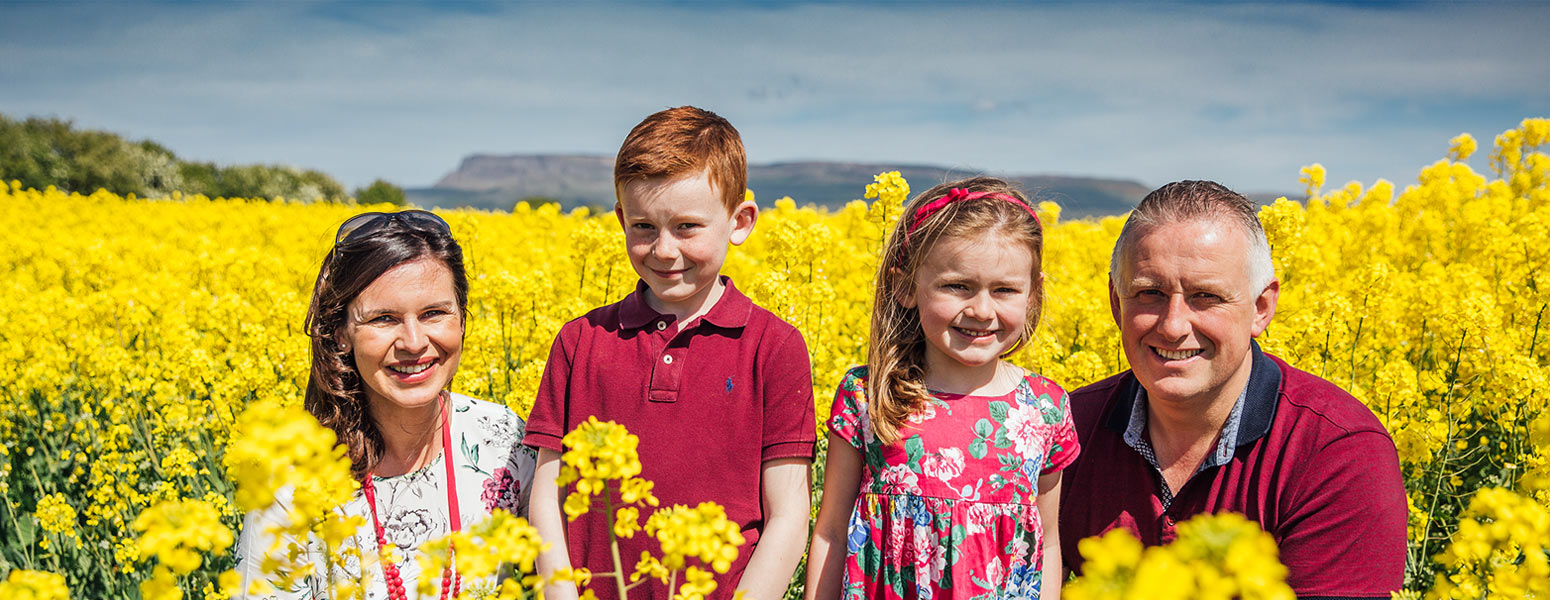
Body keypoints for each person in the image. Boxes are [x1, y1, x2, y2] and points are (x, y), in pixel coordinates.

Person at [1057, 181, 1407, 597]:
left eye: (1205, 297)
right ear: (1117, 304)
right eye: (1150, 293)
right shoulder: (1066, 428)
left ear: (1261, 308)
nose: (1172, 326)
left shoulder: (1337, 452)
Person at [523, 106, 815, 600]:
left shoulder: (775, 346)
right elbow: (545, 499)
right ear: (620, 221)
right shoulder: (580, 340)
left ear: (740, 222)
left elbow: (788, 515)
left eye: (686, 227)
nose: (662, 250)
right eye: (642, 227)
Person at [235, 210, 539, 599]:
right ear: (341, 333)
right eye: (384, 319)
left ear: (462, 320)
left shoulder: (504, 440)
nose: (413, 342)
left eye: (434, 313)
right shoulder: (289, 477)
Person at [807, 177, 1079, 600]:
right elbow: (831, 533)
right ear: (905, 286)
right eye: (957, 286)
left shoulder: (1045, 408)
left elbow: (1048, 542)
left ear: (1032, 294)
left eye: (1005, 290)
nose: (981, 310)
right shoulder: (868, 395)